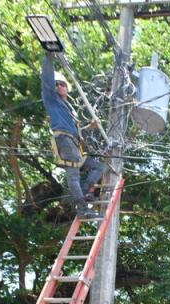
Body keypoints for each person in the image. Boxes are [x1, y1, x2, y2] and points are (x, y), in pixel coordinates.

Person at [40, 51, 106, 218]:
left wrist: (89, 127)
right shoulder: (52, 100)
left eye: (62, 84)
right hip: (63, 140)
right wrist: (49, 57)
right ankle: (82, 207)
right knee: (73, 173)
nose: (59, 86)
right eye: (56, 84)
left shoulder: (69, 108)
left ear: (67, 88)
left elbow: (76, 132)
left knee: (98, 166)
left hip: (74, 143)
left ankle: (83, 194)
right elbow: (46, 80)